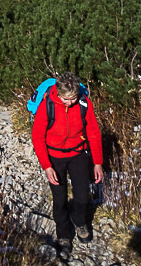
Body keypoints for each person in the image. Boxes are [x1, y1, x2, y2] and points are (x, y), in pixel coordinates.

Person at [31, 72, 103, 257]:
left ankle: (79, 221)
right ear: (58, 93)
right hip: (54, 158)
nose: (70, 102)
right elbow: (38, 137)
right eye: (66, 99)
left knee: (82, 194)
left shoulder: (83, 103)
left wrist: (98, 162)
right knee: (59, 197)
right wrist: (47, 166)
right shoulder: (47, 105)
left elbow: (93, 132)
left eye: (73, 98)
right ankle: (63, 234)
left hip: (78, 154)